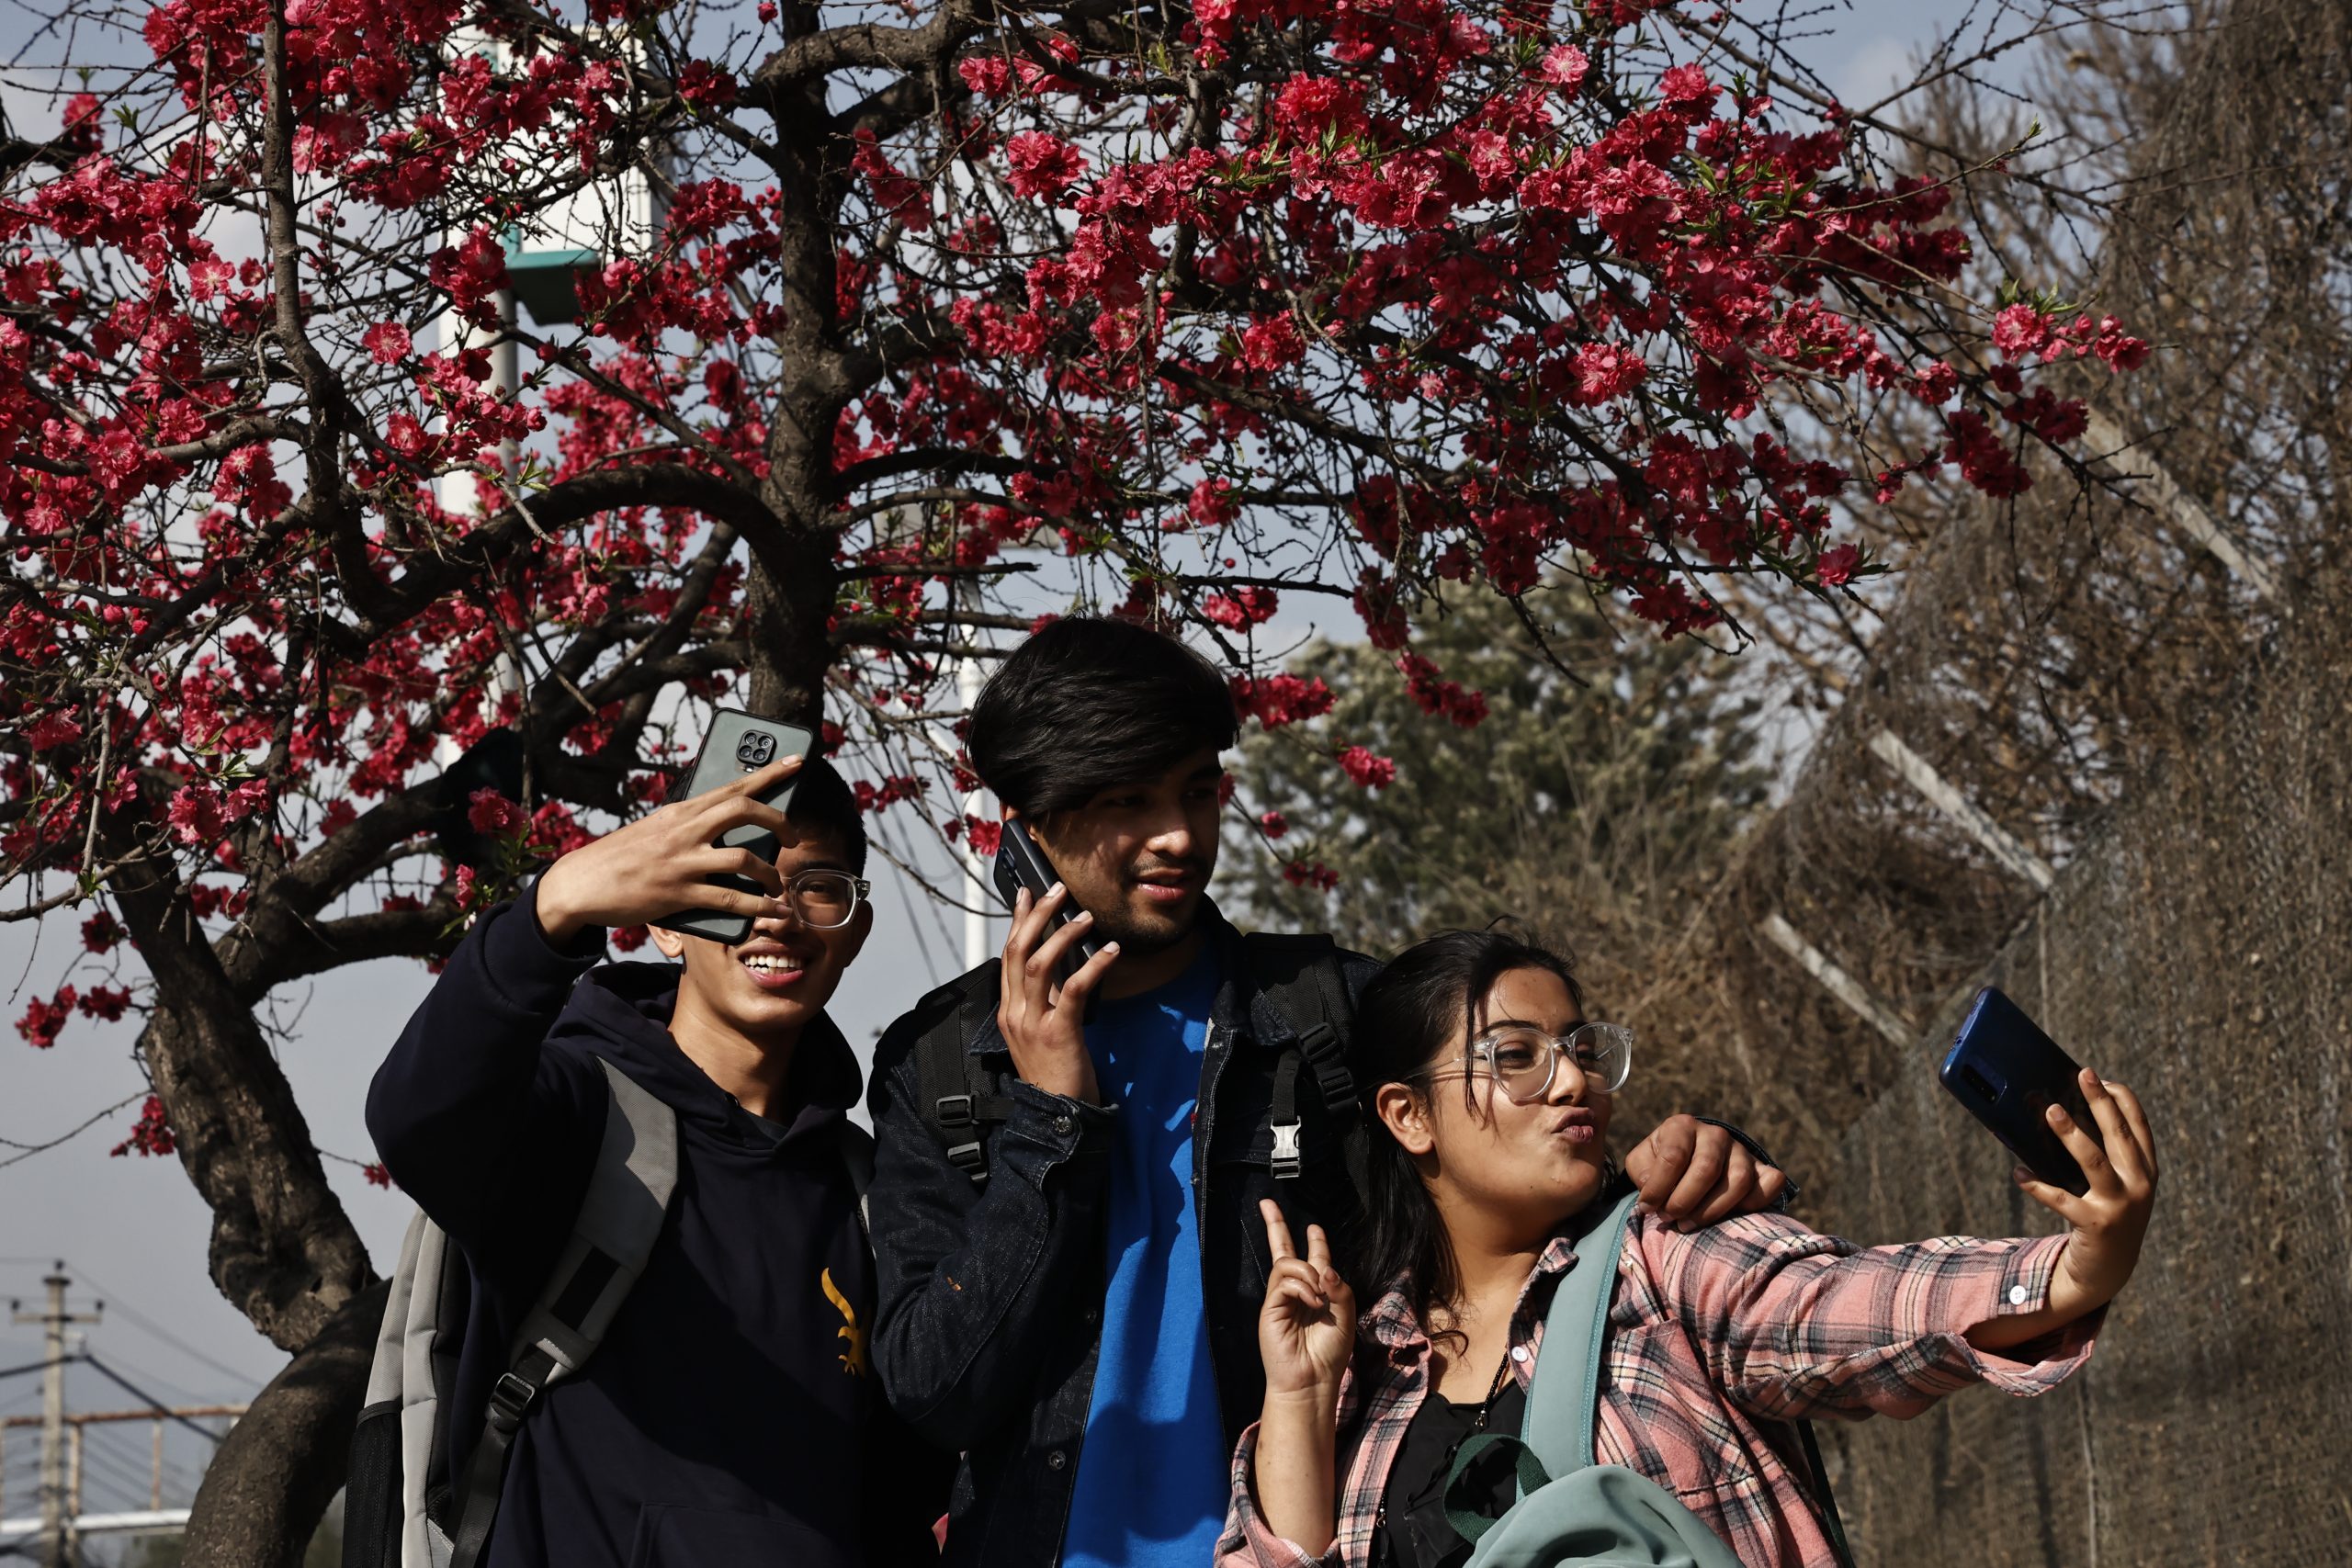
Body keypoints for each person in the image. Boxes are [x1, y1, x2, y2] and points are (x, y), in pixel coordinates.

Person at [863, 617, 1791, 1568]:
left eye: (1196, 791)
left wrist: (1696, 1161)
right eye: (1127, 803)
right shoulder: (942, 1067)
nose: (1179, 836)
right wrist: (1053, 1119)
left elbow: (1534, 1210)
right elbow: (937, 1392)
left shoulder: (1327, 1018)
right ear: (1026, 830)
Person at [1227, 928, 2159, 1568]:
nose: (1572, 1082)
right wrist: (1301, 1401)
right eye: (1515, 1056)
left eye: (1582, 1049)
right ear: (1406, 1116)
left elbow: (1841, 1306)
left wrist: (2071, 1272)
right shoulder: (1368, 1377)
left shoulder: (1659, 1260)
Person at [366, 752, 948, 1568]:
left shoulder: (868, 1194)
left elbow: (898, 1496)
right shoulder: (580, 1116)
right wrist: (557, 903)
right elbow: (418, 1116)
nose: (776, 914)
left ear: (853, 924)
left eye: (817, 885)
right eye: (738, 883)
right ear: (666, 920)